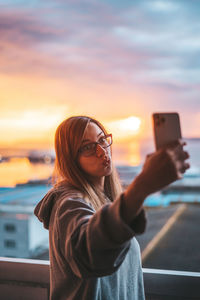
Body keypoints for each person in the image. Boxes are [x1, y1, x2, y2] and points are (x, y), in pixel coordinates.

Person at [34, 115, 189, 300]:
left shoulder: (105, 200)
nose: (102, 151)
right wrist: (142, 186)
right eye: (88, 147)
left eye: (102, 140)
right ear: (71, 159)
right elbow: (88, 253)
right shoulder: (68, 203)